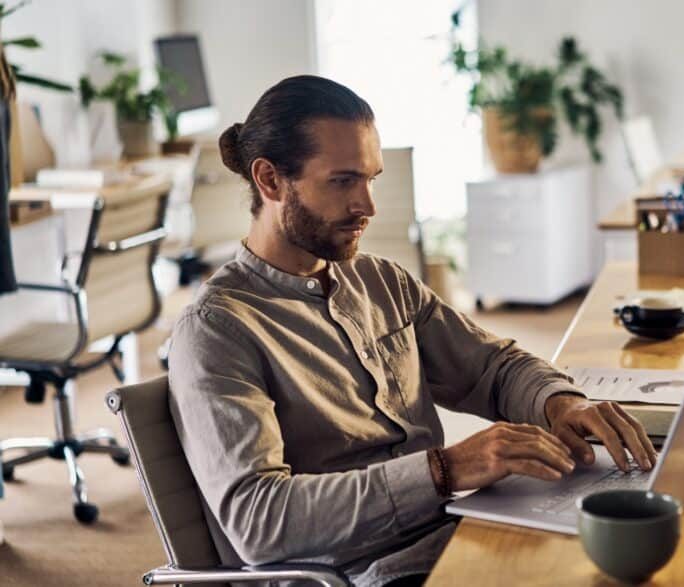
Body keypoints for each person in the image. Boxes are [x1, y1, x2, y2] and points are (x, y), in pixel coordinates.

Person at [167, 75, 656, 587]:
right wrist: (444, 470)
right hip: (367, 574)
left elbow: (493, 367)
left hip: (458, 532)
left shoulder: (381, 281)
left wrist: (561, 403)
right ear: (270, 181)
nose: (368, 206)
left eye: (371, 179)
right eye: (342, 181)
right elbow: (259, 521)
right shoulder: (218, 331)